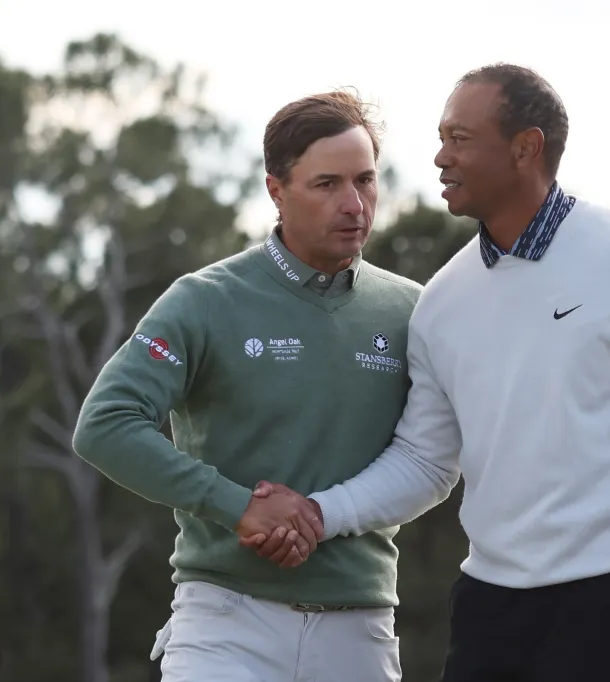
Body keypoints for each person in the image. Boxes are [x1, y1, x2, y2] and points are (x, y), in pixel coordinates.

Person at [248, 63, 610, 682]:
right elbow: (426, 461)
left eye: (460, 139)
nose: (439, 157)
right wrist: (318, 514)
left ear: (525, 148)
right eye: (441, 138)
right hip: (490, 611)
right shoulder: (442, 300)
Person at [71, 89, 421, 682]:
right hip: (225, 622)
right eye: (327, 183)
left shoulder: (414, 311)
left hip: (359, 628)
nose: (354, 204)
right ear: (276, 190)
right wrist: (239, 510)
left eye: (365, 180)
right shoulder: (204, 301)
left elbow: (435, 459)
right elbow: (105, 425)